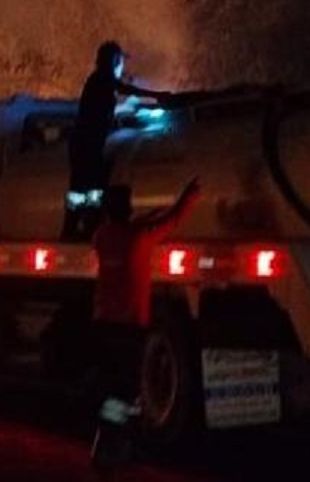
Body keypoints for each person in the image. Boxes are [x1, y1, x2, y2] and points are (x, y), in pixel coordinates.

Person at [90, 177, 202, 469]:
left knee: (114, 386)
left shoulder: (102, 236)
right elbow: (171, 221)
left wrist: (150, 216)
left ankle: (110, 441)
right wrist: (188, 196)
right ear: (125, 209)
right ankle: (113, 445)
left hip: (104, 323)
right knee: (125, 390)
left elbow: (138, 225)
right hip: (129, 327)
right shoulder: (138, 239)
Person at [66, 40, 164, 240]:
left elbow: (102, 108)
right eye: (120, 61)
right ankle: (83, 228)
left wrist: (124, 109)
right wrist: (156, 95)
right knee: (91, 187)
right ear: (114, 61)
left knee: (85, 187)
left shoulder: (98, 80)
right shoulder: (103, 78)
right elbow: (125, 89)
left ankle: (78, 227)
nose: (122, 67)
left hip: (85, 142)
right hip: (87, 144)